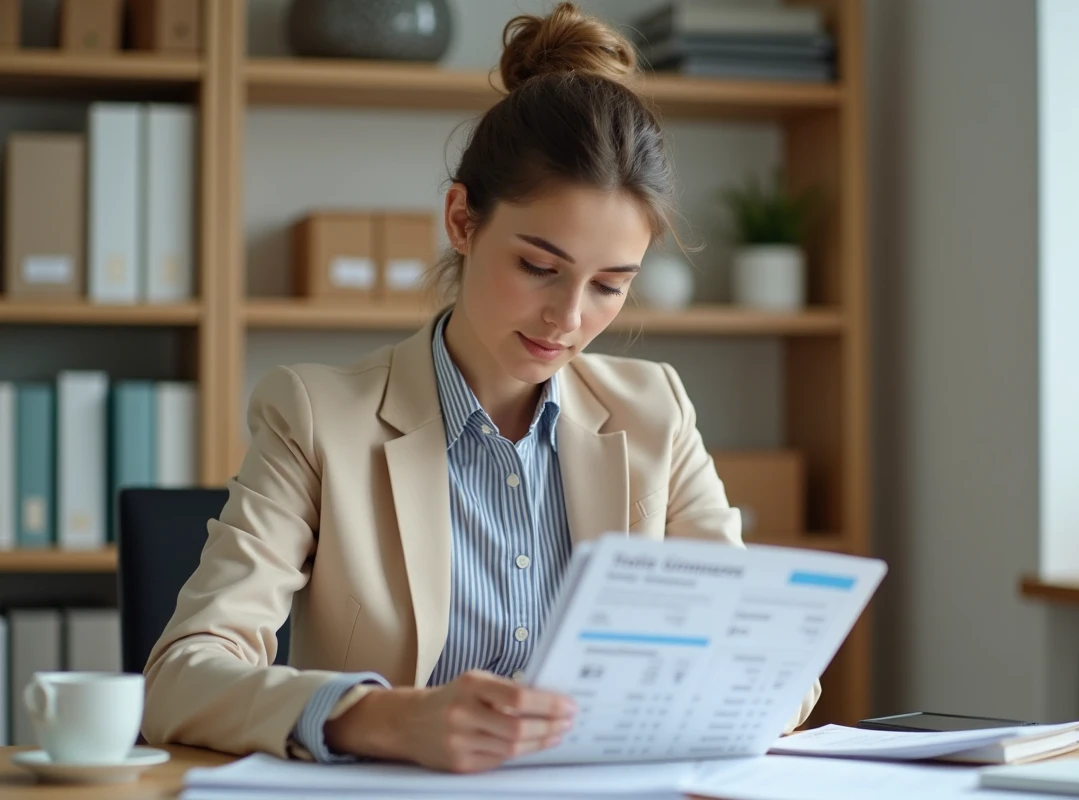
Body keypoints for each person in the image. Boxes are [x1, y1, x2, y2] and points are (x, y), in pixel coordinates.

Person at [141, 2, 821, 774]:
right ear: (462, 220)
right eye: (539, 266)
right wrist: (383, 717)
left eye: (609, 286)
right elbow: (181, 678)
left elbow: (771, 671)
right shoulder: (317, 415)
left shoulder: (653, 410)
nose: (567, 317)